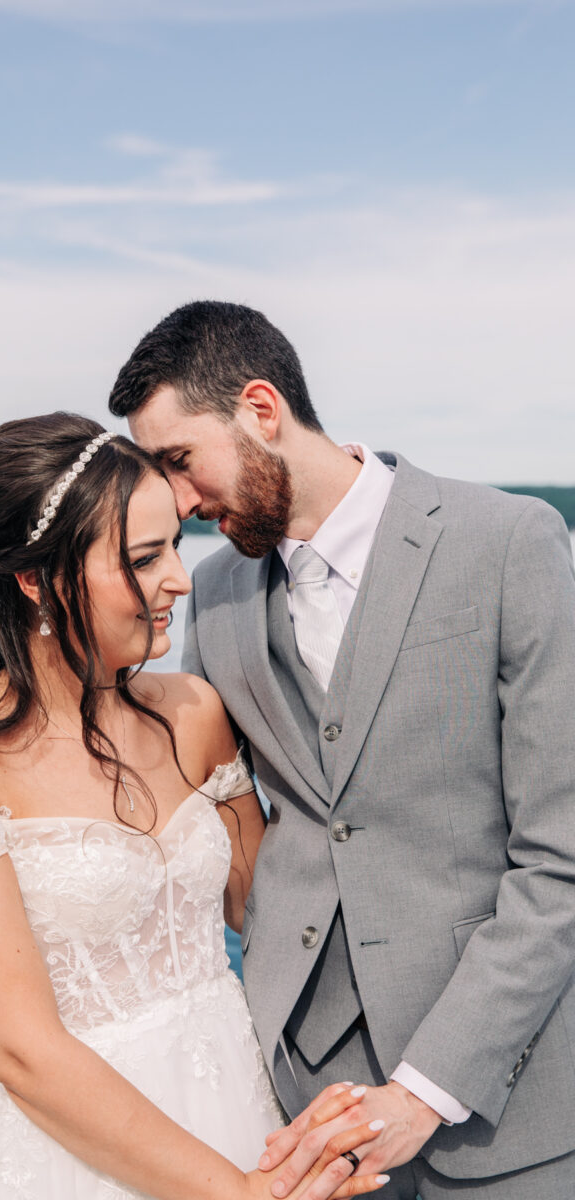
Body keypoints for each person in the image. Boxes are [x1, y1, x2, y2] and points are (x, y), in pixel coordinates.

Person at [108, 301, 575, 1200]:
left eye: (178, 460)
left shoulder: (508, 542)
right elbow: (181, 802)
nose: (178, 501)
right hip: (294, 1095)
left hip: (503, 1101)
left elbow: (562, 858)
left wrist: (427, 1089)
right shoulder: (212, 591)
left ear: (260, 408)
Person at [0, 413, 389, 1200]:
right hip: (64, 1144)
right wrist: (239, 1193)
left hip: (235, 1095)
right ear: (36, 577)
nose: (182, 581)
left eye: (176, 548)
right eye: (145, 558)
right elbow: (18, 1048)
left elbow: (274, 910)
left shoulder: (194, 712)